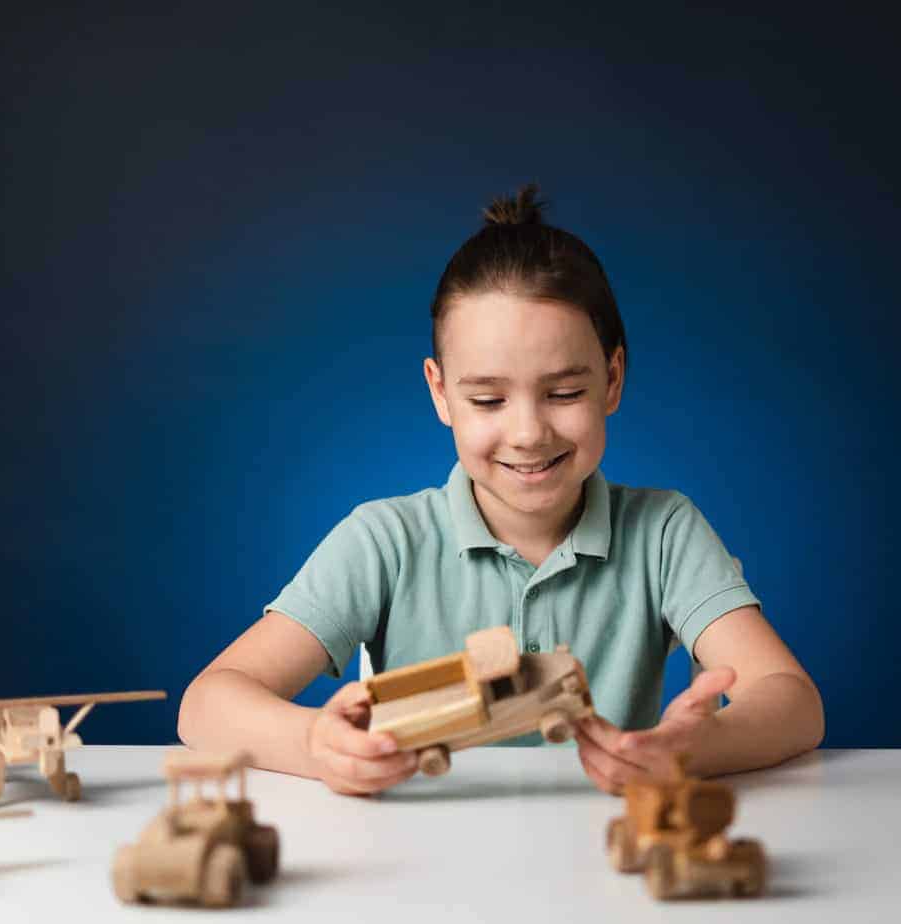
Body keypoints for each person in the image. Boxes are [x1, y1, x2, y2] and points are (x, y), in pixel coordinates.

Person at [177, 184, 824, 796]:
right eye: (487, 398)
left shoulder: (662, 532)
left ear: (614, 378)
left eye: (565, 393)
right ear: (440, 393)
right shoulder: (384, 540)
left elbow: (792, 701)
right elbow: (208, 703)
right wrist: (316, 744)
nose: (527, 432)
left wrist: (692, 747)